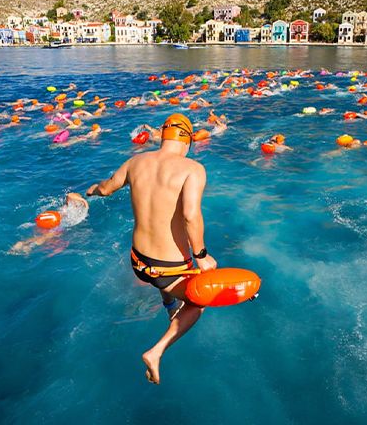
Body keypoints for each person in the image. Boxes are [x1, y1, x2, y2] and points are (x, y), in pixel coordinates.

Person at [86, 113, 217, 385]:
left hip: (138, 261)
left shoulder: (135, 162)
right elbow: (191, 216)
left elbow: (107, 188)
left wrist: (94, 191)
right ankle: (156, 352)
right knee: (199, 303)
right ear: (188, 140)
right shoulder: (193, 169)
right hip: (168, 268)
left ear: (163, 135)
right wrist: (202, 256)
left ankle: (169, 305)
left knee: (165, 283)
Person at [11, 193, 89, 255]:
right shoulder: (69, 205)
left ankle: (22, 243)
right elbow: (69, 195)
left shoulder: (67, 207)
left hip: (50, 220)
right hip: (55, 223)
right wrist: (83, 200)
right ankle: (30, 246)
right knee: (46, 237)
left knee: (43, 236)